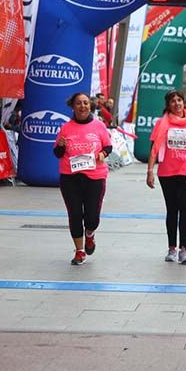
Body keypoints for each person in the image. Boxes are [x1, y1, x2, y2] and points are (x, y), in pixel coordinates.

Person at [146, 90, 186, 265]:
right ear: (168, 105)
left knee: (185, 210)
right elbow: (154, 149)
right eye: (173, 101)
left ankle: (184, 250)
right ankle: (172, 248)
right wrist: (150, 171)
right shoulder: (161, 123)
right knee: (172, 210)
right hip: (167, 172)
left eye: (179, 100)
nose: (177, 103)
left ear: (184, 102)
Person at [53, 92, 112, 265]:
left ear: (90, 106)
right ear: (73, 106)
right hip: (70, 177)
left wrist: (102, 153)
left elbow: (108, 146)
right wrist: (61, 146)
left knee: (92, 217)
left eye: (86, 103)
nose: (83, 106)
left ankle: (90, 234)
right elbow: (57, 153)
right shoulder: (65, 128)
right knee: (75, 214)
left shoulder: (99, 126)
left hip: (95, 176)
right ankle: (79, 251)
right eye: (79, 103)